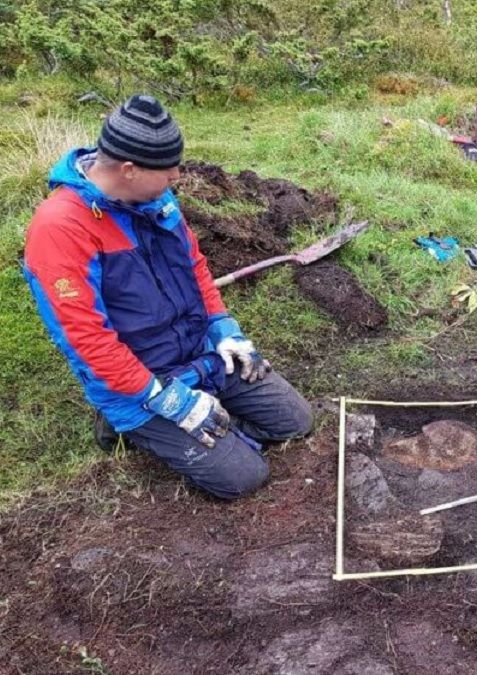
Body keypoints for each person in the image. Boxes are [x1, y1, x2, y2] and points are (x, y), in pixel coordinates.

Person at [22, 94, 313, 499]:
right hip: (139, 382)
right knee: (244, 477)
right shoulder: (60, 229)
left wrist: (224, 329)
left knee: (295, 421)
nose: (177, 175)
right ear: (128, 169)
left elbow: (194, 268)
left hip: (199, 354)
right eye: (167, 169)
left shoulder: (155, 200)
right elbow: (87, 341)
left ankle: (206, 412)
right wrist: (170, 401)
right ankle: (128, 426)